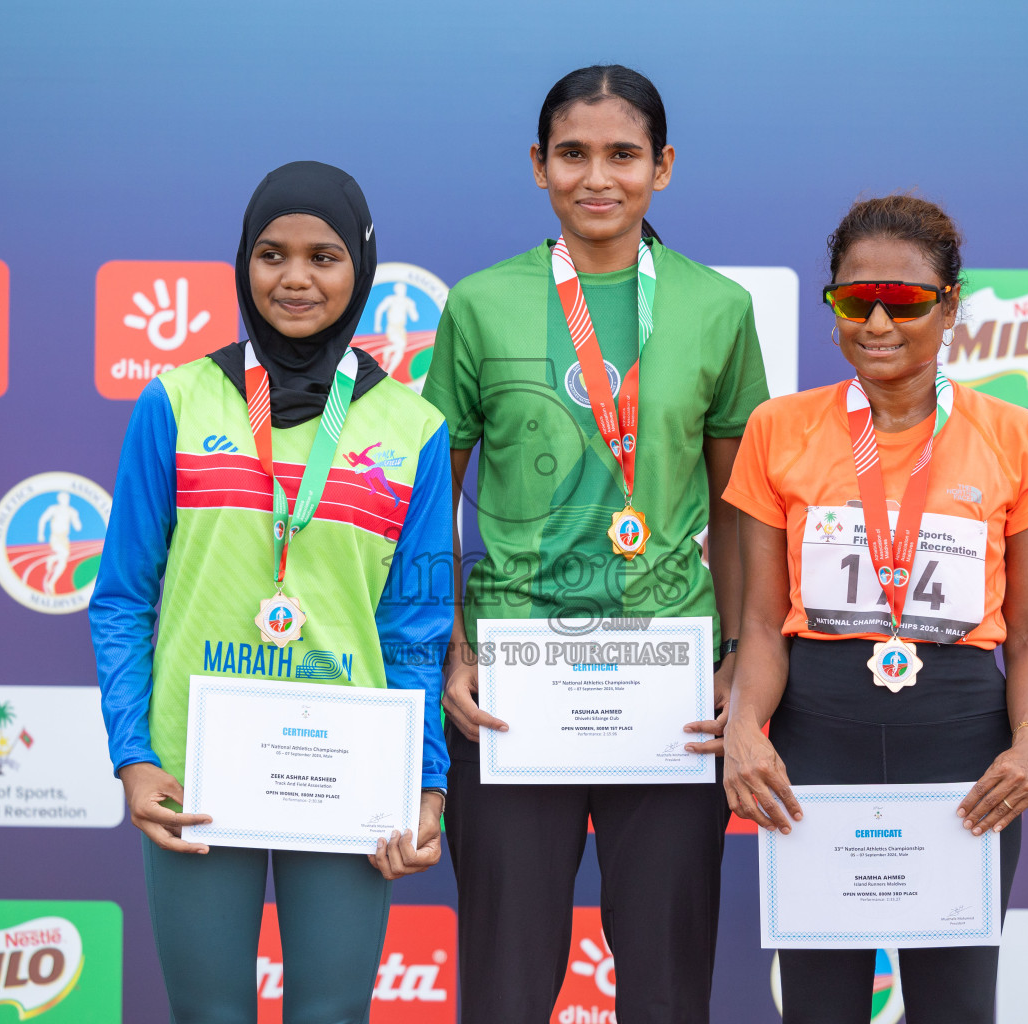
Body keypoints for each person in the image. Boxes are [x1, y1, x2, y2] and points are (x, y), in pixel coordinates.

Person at [422, 64, 769, 1024]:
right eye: (572, 154)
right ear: (539, 166)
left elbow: (743, 509)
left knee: (663, 984)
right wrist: (451, 646)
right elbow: (425, 504)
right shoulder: (481, 303)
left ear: (664, 166)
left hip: (670, 680)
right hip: (510, 681)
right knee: (506, 982)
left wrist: (737, 657)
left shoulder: (716, 308)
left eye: (623, 154)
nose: (597, 177)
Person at [88, 161, 452, 1024]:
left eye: (324, 256)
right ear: (242, 266)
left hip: (350, 773)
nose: (295, 278)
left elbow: (416, 624)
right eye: (271, 254)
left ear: (360, 268)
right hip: (194, 769)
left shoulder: (413, 428)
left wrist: (425, 784)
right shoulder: (176, 402)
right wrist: (136, 758)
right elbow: (122, 599)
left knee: (330, 1015)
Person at [710, 194, 1028, 1023]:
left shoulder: (1016, 436)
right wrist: (745, 730)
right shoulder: (779, 429)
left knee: (956, 1007)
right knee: (820, 1008)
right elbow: (763, 626)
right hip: (816, 738)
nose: (877, 320)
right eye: (852, 298)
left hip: (962, 744)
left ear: (950, 308)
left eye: (905, 301)